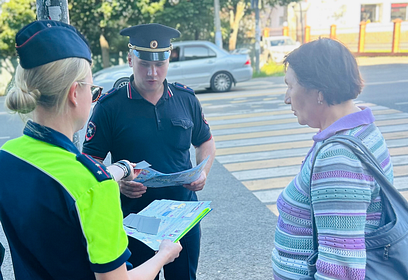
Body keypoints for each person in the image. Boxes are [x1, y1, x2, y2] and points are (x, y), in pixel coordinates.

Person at [0, 20, 182, 280]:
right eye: (93, 90)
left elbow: (60, 180)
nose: (94, 97)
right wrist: (163, 255)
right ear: (75, 93)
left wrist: (121, 169)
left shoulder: (8, 156)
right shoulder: (96, 186)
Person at [82, 23, 216, 280]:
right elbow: (91, 164)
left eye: (160, 64)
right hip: (135, 219)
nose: (153, 72)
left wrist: (204, 172)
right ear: (130, 59)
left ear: (169, 58)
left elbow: (205, 142)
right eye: (144, 63)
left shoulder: (185, 99)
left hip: (182, 215)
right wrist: (117, 185)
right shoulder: (110, 106)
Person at [272, 38, 394, 280]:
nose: (287, 98)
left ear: (318, 91)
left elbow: (341, 268)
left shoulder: (338, 158)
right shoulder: (363, 130)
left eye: (290, 86)